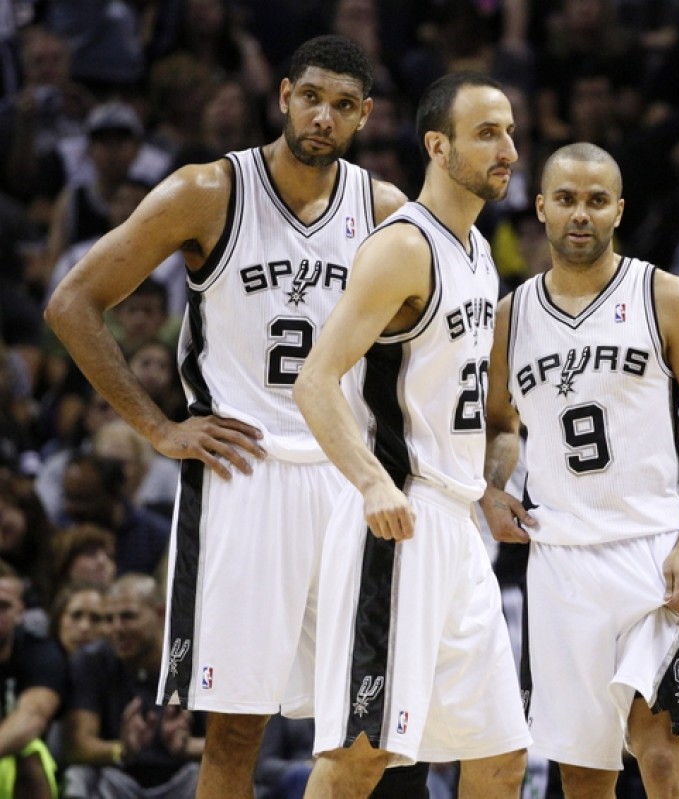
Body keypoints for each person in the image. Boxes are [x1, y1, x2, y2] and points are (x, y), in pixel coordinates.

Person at [43, 35, 406, 799]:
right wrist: (159, 427)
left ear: (365, 116)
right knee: (236, 732)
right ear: (284, 96)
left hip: (347, 480)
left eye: (343, 105)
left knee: (374, 728)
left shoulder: (385, 213)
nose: (323, 116)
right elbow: (72, 303)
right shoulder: (206, 190)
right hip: (244, 476)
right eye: (312, 97)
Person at [292, 71, 528, 799]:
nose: (509, 151)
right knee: (361, 754)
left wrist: (490, 486)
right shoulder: (403, 247)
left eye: (510, 132)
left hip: (458, 527)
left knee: (500, 756)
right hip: (398, 521)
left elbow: (479, 410)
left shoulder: (479, 252)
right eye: (487, 133)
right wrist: (371, 482)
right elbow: (315, 381)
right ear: (438, 146)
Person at [480, 142, 679, 798]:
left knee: (662, 755)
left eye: (597, 201)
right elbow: (501, 424)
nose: (581, 214)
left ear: (619, 210)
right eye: (566, 199)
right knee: (584, 776)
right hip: (561, 563)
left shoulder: (668, 297)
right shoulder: (510, 318)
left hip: (655, 553)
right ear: (541, 207)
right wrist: (494, 486)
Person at [63, 575, 205, 799]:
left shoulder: (197, 659)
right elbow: (78, 746)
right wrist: (122, 750)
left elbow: (232, 747)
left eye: (128, 616)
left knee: (217, 773)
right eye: (109, 619)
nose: (116, 628)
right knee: (78, 776)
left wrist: (186, 747)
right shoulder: (92, 660)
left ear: (161, 614)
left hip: (184, 778)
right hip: (118, 778)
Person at [0, 559, 66, 799]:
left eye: (3, 606)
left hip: (7, 761)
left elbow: (33, 717)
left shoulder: (39, 652)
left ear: (20, 612)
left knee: (30, 752)